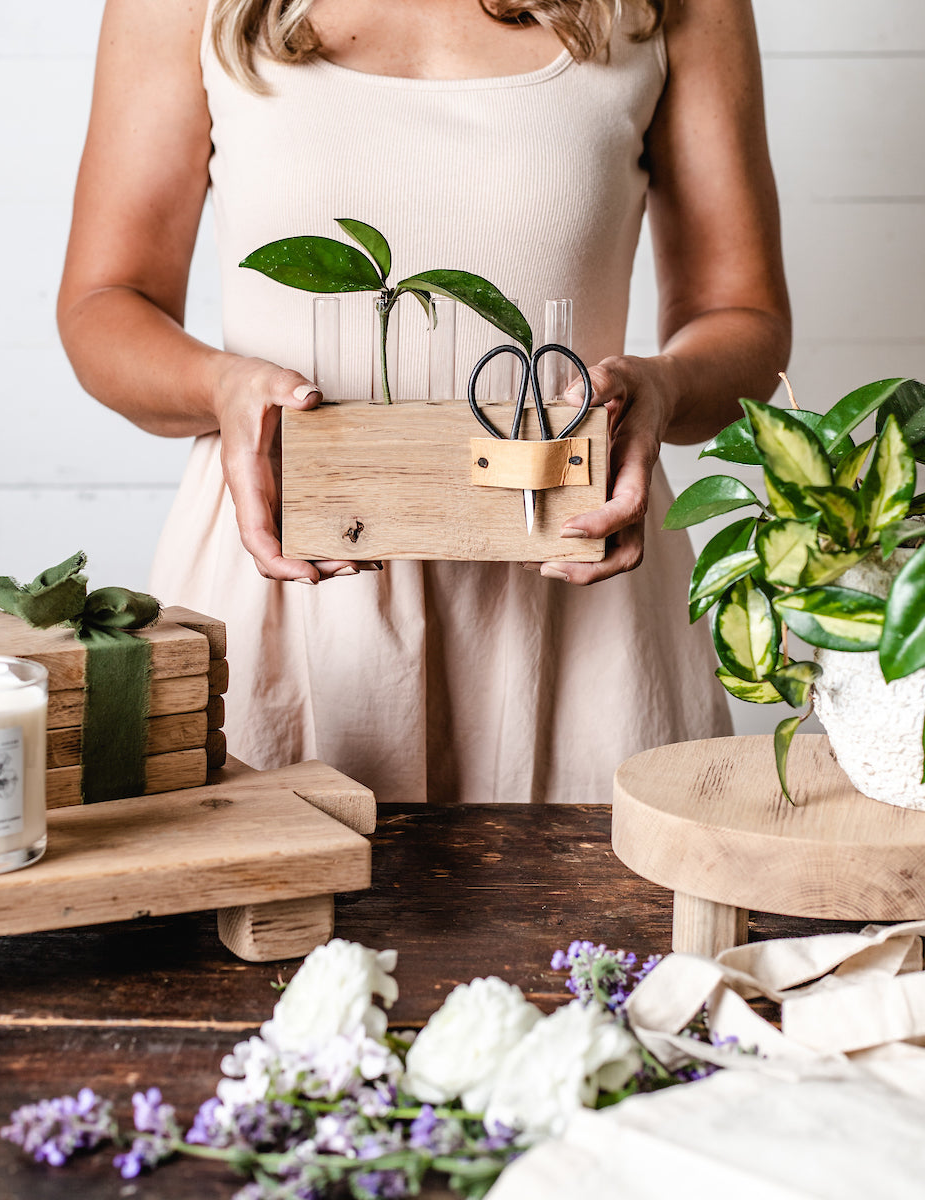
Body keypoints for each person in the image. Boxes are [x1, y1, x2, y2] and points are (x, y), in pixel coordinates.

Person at [57, 0, 791, 804]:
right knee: (264, 911)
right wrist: (222, 387)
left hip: (573, 586)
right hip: (289, 576)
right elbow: (104, 303)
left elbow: (742, 317)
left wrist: (665, 386)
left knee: (605, 922)